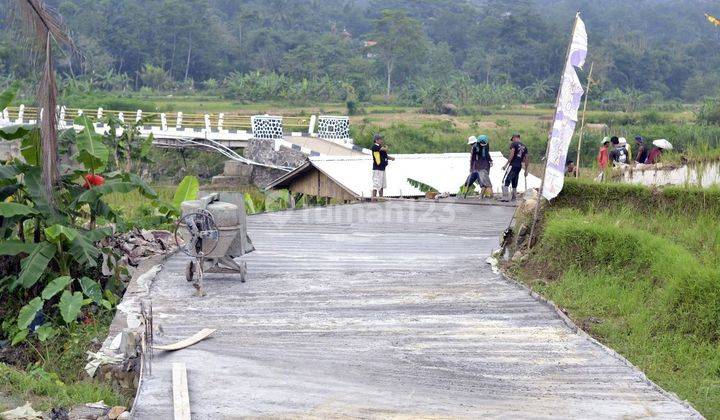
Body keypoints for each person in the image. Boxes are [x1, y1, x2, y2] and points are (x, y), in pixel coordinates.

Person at [501, 133, 529, 202]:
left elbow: (512, 154)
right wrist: (526, 170)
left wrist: (506, 164)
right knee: (514, 180)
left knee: (506, 180)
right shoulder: (525, 147)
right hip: (519, 166)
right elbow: (526, 159)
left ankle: (505, 197)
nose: (512, 140)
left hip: (512, 165)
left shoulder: (514, 144)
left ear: (514, 137)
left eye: (512, 139)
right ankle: (514, 197)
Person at [371, 133, 394, 200]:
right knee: (376, 184)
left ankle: (381, 198)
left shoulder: (380, 147)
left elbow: (385, 155)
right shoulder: (375, 147)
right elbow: (384, 149)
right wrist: (386, 147)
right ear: (376, 140)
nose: (381, 140)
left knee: (382, 185)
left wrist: (391, 158)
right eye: (380, 139)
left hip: (382, 168)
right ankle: (374, 199)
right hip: (377, 169)